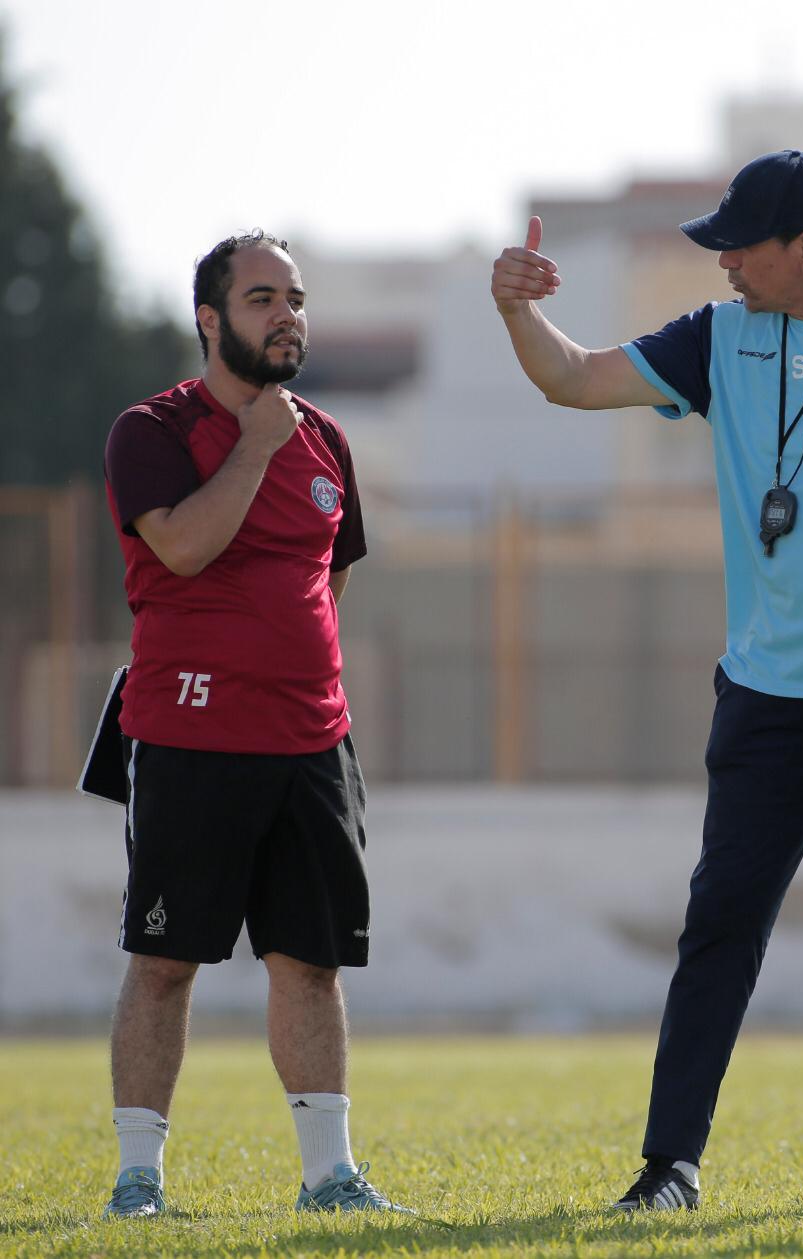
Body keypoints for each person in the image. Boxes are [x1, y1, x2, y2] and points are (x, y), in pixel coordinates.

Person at [491, 151, 803, 1212]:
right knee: (718, 920)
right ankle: (667, 1164)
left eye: (739, 243)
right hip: (768, 693)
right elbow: (572, 379)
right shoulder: (715, 335)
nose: (720, 261)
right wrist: (511, 310)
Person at [100, 231, 410, 1218]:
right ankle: (138, 1180)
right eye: (261, 297)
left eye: (296, 298)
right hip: (188, 732)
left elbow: (333, 574)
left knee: (310, 963)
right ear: (209, 318)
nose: (287, 315)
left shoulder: (328, 440)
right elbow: (183, 548)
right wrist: (256, 446)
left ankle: (330, 1176)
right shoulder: (151, 429)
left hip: (311, 739)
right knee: (163, 961)